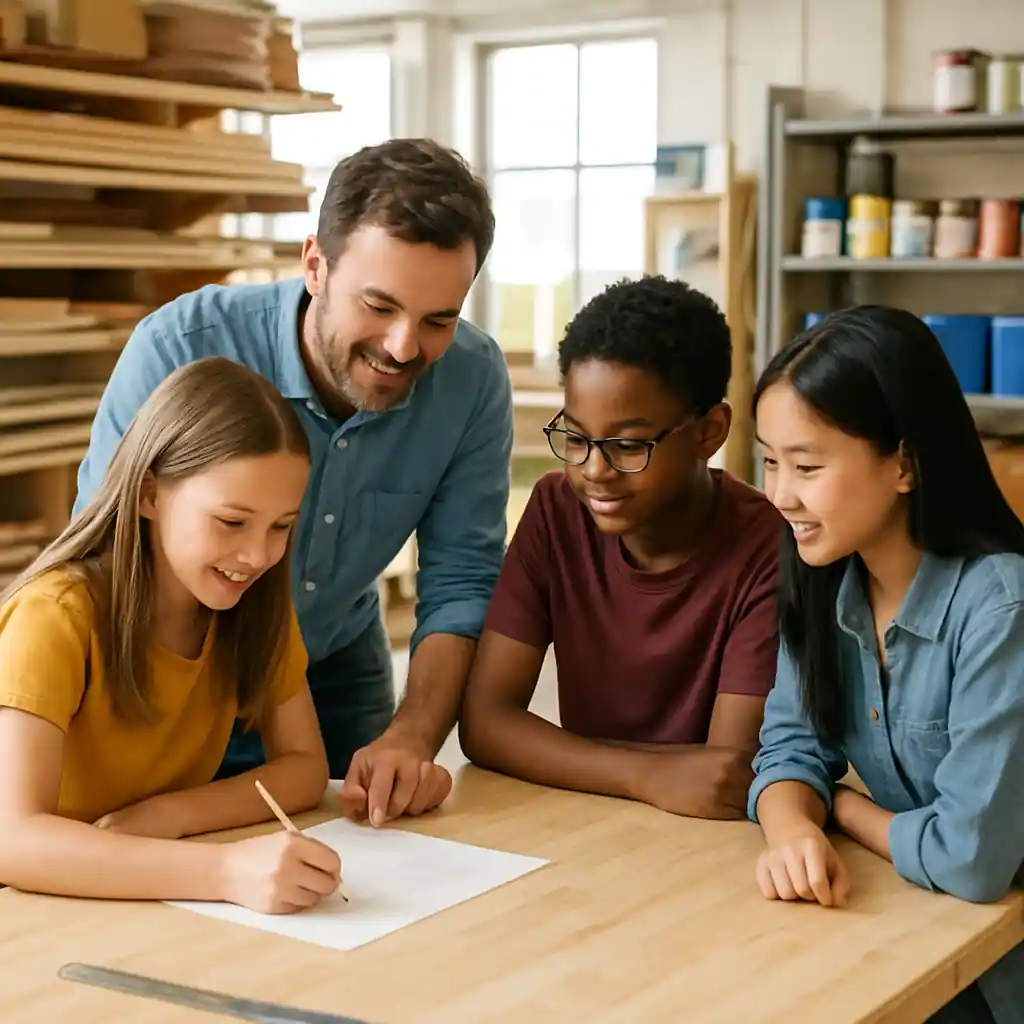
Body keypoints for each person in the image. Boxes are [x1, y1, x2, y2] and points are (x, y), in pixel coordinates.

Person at [73, 138, 513, 828]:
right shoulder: (179, 348)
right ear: (315, 265)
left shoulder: (474, 379)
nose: (403, 347)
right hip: (169, 680)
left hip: (332, 661)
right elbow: (108, 555)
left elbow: (462, 578)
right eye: (378, 305)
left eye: (438, 319)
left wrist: (412, 736)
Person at [748, 305, 1024, 1024]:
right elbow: (787, 747)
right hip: (919, 933)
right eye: (770, 461)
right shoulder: (825, 576)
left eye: (807, 466)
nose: (780, 495)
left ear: (904, 462)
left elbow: (971, 860)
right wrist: (794, 831)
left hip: (997, 972)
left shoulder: (1001, 611)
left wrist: (841, 809)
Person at [0, 357, 345, 914]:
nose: (258, 555)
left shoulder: (254, 608)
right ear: (149, 495)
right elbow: (11, 840)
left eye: (281, 526)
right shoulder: (53, 615)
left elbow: (305, 768)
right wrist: (227, 870)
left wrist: (174, 813)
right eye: (232, 522)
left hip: (125, 899)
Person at [459, 276, 783, 820]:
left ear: (711, 432)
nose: (593, 472)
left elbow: (726, 773)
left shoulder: (769, 549)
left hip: (710, 846)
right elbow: (485, 723)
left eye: (629, 445)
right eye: (578, 439)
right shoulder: (556, 510)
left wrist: (563, 756)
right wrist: (646, 774)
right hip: (591, 815)